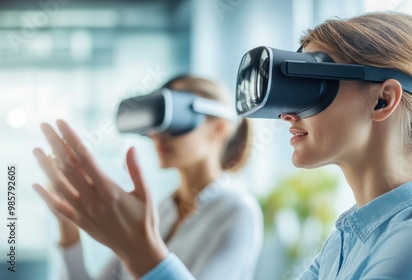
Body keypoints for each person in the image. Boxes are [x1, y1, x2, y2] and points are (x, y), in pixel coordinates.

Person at [34, 11, 412, 280]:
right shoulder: (347, 238)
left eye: (309, 85)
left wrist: (144, 256)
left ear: (383, 99)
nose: (286, 114)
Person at [34, 75, 263, 280]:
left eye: (176, 118)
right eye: (157, 120)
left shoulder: (238, 210)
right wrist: (67, 223)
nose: (159, 133)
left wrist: (138, 252)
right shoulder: (163, 208)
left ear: (219, 128)